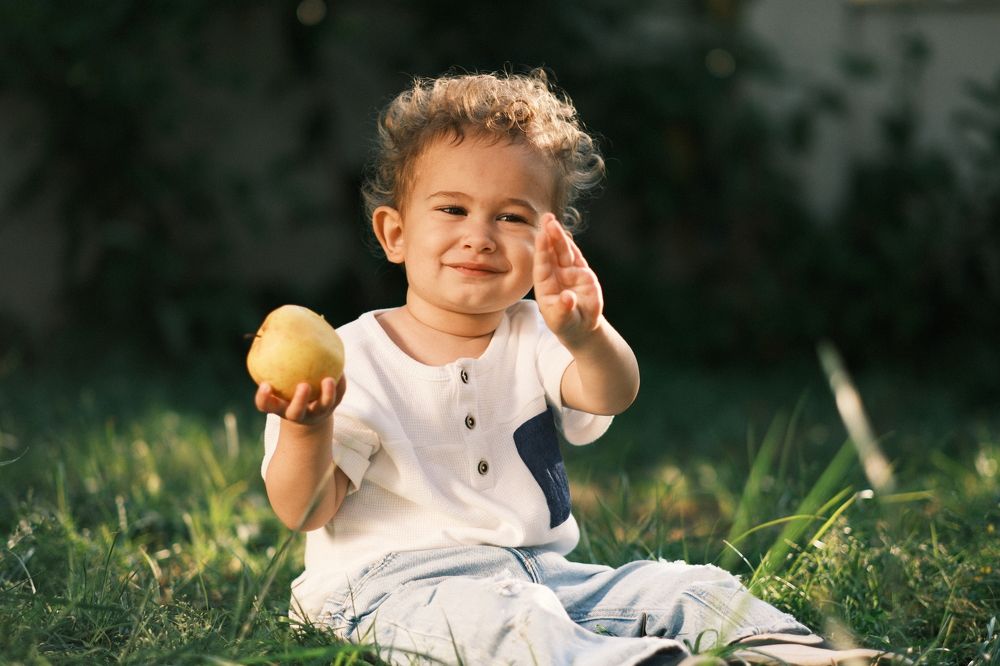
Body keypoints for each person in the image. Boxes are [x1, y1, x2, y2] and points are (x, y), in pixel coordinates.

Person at [254, 69, 897, 665]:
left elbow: (611, 392)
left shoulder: (538, 332)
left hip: (542, 574)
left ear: (549, 239)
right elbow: (305, 510)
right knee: (505, 625)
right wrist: (308, 429)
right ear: (394, 233)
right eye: (452, 209)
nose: (480, 235)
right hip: (393, 589)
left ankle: (786, 650)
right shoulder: (351, 359)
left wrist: (587, 337)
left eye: (511, 216)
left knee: (683, 586)